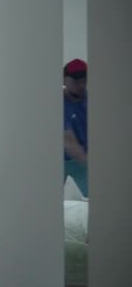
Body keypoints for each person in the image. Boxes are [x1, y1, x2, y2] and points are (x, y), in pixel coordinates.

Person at [63, 59, 88, 198]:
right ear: (64, 80)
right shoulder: (57, 102)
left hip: (82, 160)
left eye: (84, 80)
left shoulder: (92, 101)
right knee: (48, 201)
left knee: (95, 196)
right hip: (57, 160)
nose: (81, 85)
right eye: (76, 81)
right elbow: (68, 141)